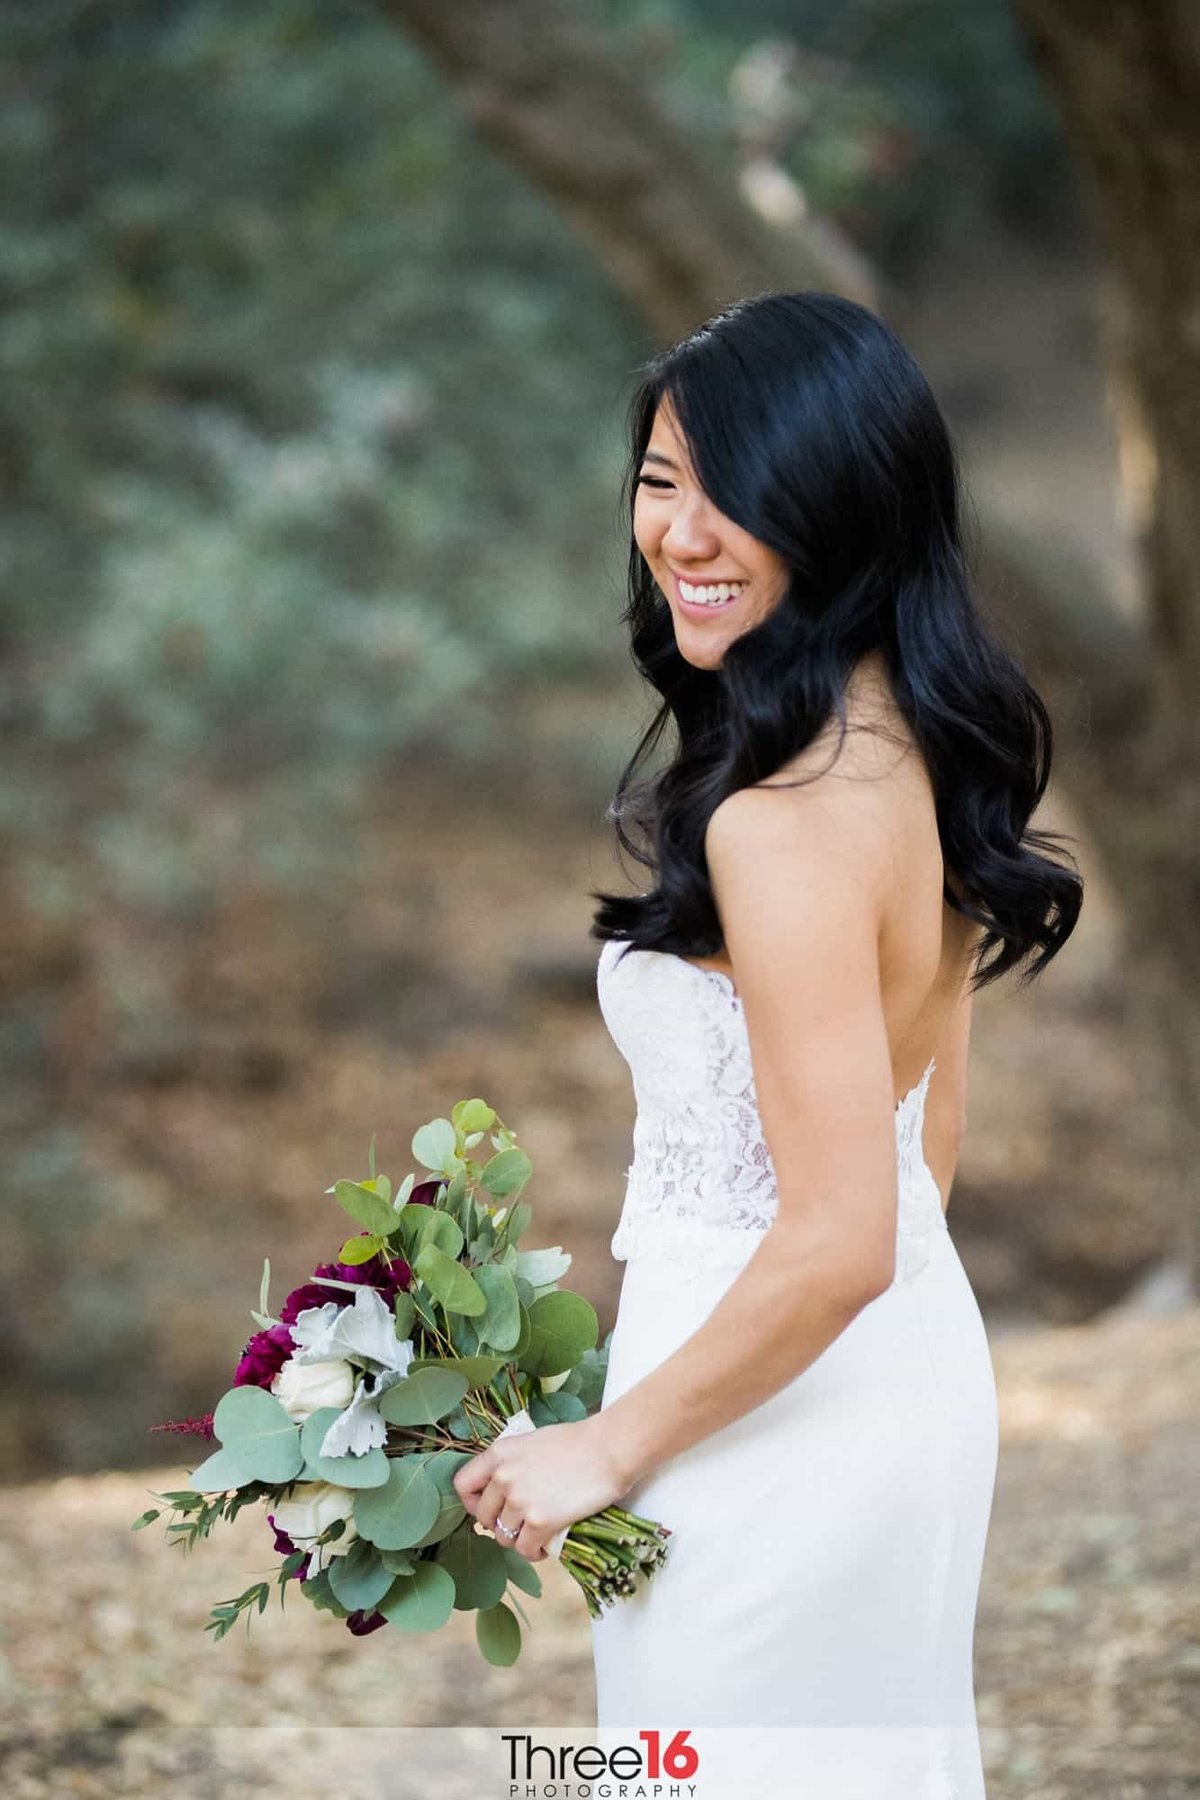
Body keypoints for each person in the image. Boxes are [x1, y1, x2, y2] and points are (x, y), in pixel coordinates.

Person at [454, 291, 1083, 1795]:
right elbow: (920, 1148)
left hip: (774, 1413)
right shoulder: (905, 758)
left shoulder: (780, 827)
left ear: (847, 512)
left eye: (738, 494)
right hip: (875, 1386)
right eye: (662, 482)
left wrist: (608, 1445)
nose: (682, 533)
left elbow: (845, 1235)